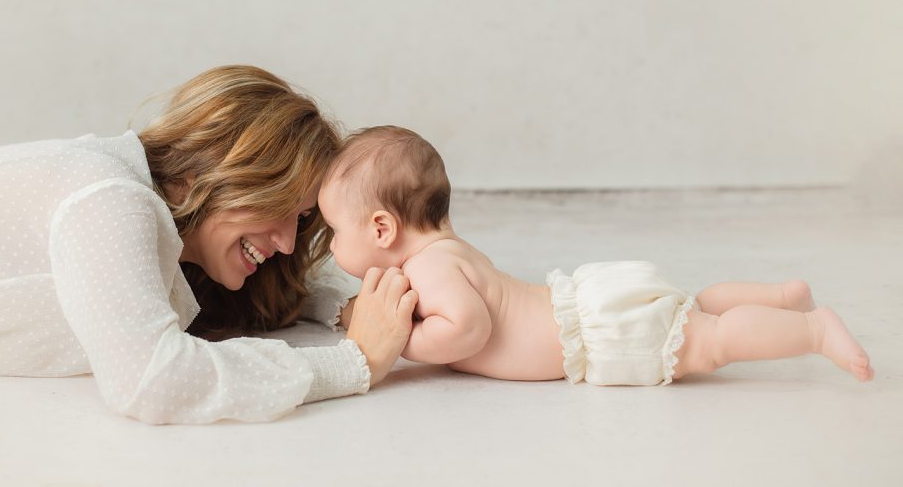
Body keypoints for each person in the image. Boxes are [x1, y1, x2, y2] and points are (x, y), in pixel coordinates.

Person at [0, 66, 418, 423]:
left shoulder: (160, 233)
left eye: (301, 221)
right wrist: (356, 363)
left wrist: (345, 308)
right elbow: (152, 379)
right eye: (282, 208)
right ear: (235, 171)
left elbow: (257, 299)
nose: (284, 242)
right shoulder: (108, 200)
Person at [317, 125, 875, 386]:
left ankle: (813, 332)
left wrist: (401, 342)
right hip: (589, 310)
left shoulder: (429, 268)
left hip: (595, 332)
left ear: (383, 228)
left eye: (335, 231)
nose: (331, 245)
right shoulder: (447, 250)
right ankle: (783, 299)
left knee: (711, 343)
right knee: (696, 308)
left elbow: (467, 328)